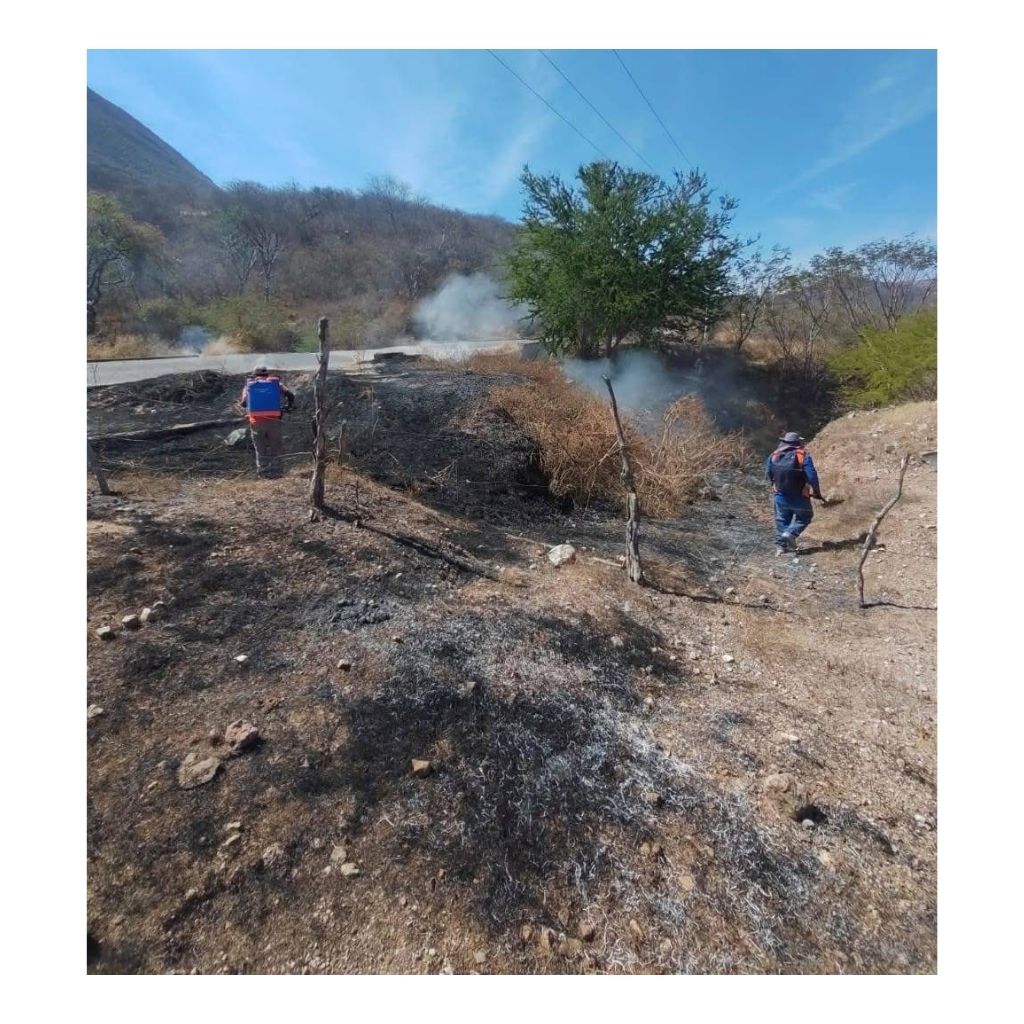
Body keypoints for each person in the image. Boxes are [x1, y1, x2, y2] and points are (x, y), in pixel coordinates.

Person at [765, 431, 828, 554]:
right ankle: (791, 533)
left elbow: (769, 472)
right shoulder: (803, 455)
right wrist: (817, 492)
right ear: (798, 442)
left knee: (782, 519)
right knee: (805, 516)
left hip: (780, 494)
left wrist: (775, 485)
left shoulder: (774, 455)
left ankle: (781, 547)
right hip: (800, 495)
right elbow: (812, 476)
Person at [237, 365, 295, 478]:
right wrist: (288, 406)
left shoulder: (249, 385)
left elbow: (244, 403)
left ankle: (263, 472)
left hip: (256, 422)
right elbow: (290, 395)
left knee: (260, 448)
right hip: (274, 420)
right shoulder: (276, 384)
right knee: (276, 446)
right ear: (267, 374)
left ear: (254, 375)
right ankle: (277, 471)